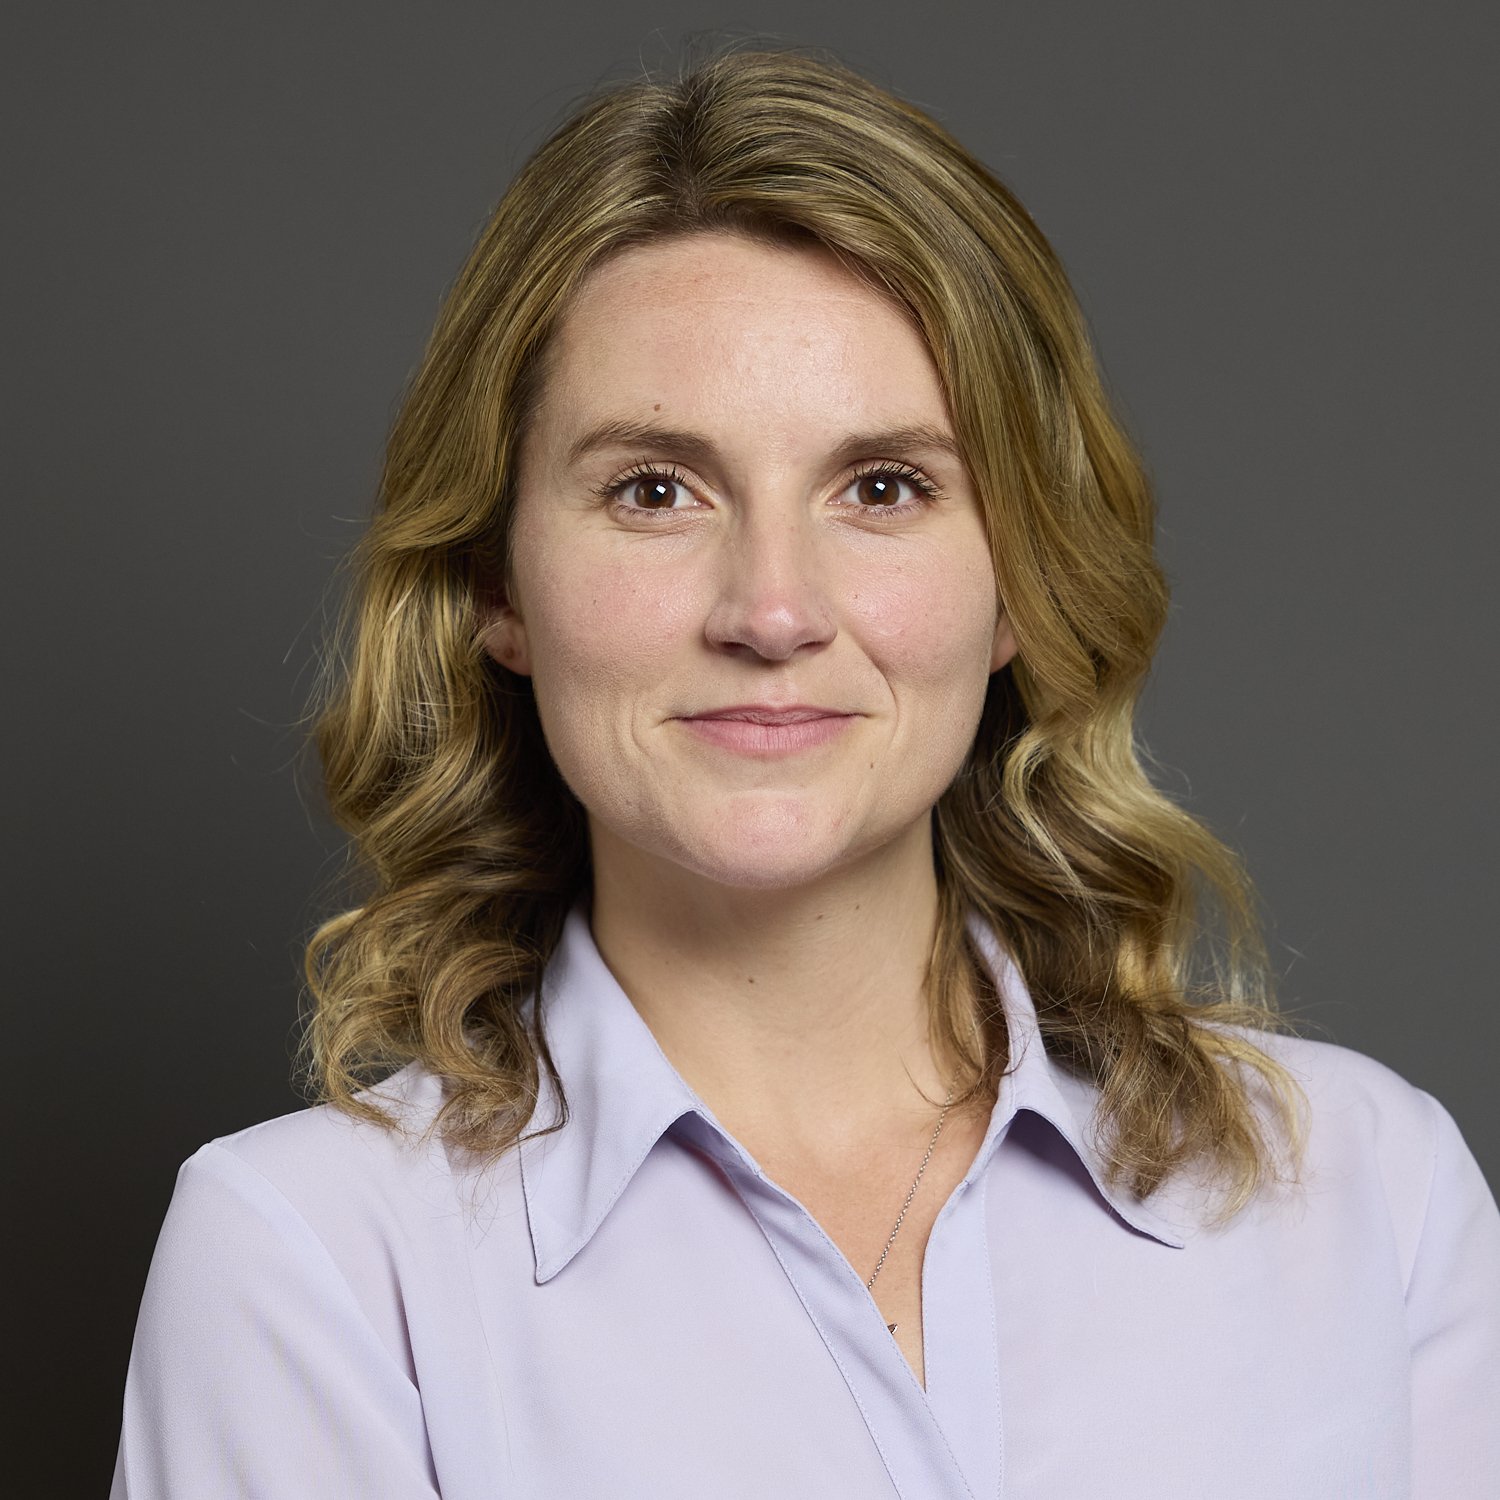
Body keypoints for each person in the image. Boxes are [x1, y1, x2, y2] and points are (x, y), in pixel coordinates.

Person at [109, 40, 1500, 1500]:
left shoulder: (1365, 1194)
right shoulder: (318, 1263)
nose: (772, 612)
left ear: (1021, 579)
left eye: (883, 487)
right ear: (494, 586)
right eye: (654, 489)